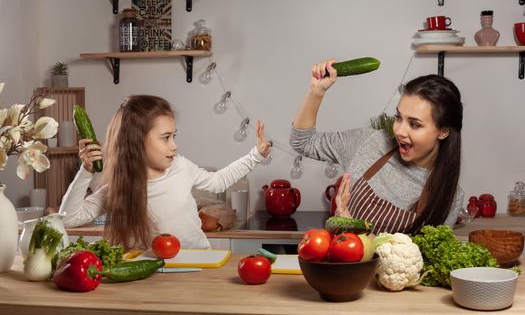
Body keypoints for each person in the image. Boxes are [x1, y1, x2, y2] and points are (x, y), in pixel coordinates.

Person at [59, 95, 271, 250]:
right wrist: (86, 171)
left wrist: (256, 155)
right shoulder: (118, 185)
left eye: (174, 136)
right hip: (152, 274)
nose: (174, 146)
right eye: (166, 137)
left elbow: (218, 181)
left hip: (197, 262)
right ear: (137, 141)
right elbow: (69, 219)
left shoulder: (181, 166)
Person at [290, 59, 464, 234]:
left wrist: (356, 232)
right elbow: (303, 142)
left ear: (443, 132)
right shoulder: (371, 143)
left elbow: (428, 259)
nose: (400, 131)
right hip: (338, 261)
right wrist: (316, 91)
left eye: (414, 124)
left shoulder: (449, 195)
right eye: (398, 117)